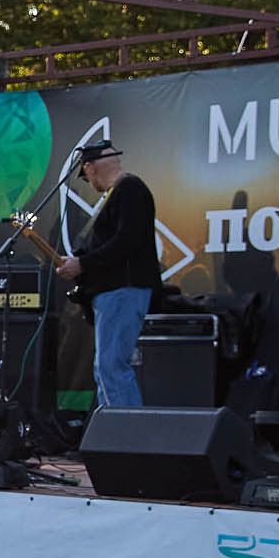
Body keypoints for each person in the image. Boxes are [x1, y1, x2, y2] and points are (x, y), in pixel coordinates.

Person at [56, 142, 161, 409]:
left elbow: (126, 242)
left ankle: (126, 440)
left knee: (112, 366)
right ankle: (110, 436)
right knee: (105, 368)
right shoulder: (120, 193)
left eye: (86, 175)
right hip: (114, 292)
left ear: (89, 168)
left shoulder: (130, 190)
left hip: (122, 290)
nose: (89, 181)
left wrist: (83, 264)